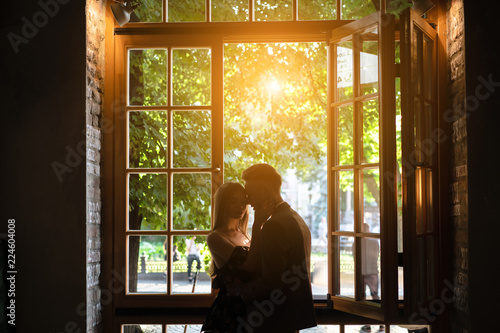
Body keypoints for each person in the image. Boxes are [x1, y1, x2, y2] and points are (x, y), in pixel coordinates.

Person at [238, 163, 317, 333]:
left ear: (266, 191)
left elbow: (271, 283)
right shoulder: (296, 218)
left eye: (250, 193)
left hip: (274, 319)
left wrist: (240, 291)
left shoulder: (274, 226)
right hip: (290, 318)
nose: (248, 200)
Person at [201, 182, 272, 333]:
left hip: (251, 305)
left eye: (243, 202)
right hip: (230, 310)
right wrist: (258, 224)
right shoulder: (215, 237)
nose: (240, 206)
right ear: (223, 204)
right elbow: (250, 267)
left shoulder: (245, 235)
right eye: (234, 201)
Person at [360, 223, 383, 333]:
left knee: (362, 298)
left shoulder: (357, 242)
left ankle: (367, 325)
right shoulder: (375, 241)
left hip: (362, 272)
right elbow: (377, 255)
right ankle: (381, 324)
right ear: (368, 230)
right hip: (373, 271)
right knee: (375, 297)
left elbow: (355, 257)